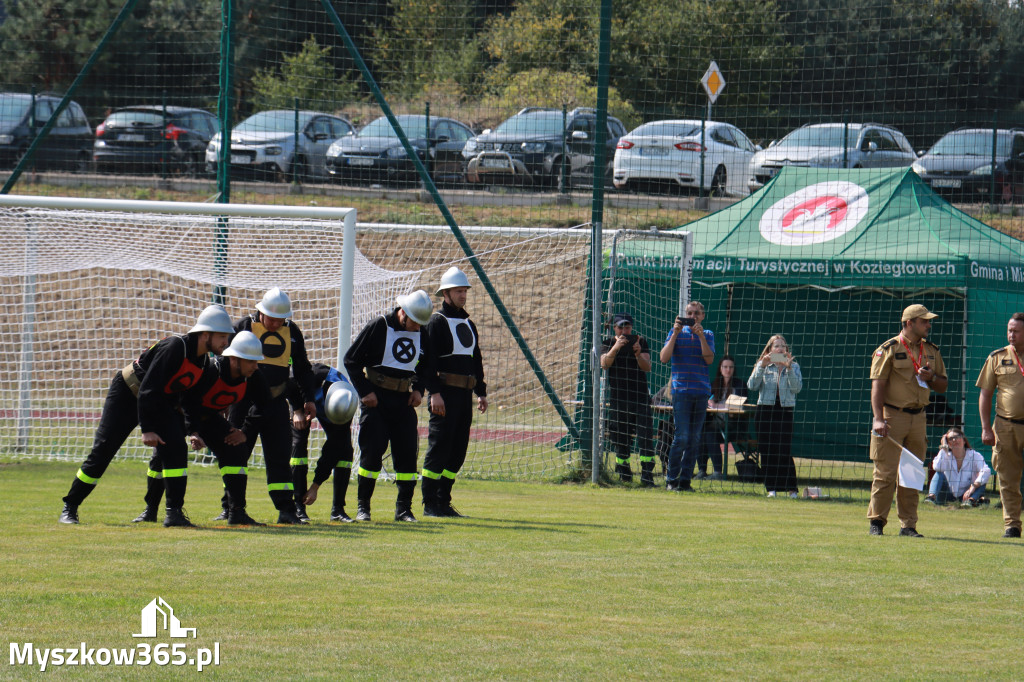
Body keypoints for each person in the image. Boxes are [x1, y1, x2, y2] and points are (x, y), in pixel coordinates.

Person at [59, 305, 234, 526]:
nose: (225, 343)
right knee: (104, 450)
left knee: (176, 448)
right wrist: (148, 429)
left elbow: (188, 400)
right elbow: (148, 388)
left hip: (159, 402)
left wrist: (194, 431)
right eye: (222, 337)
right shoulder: (174, 347)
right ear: (205, 334)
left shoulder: (203, 361)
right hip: (128, 393)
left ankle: (174, 514)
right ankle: (70, 507)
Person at [229, 288, 317, 525]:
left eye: (281, 319)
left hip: (276, 403)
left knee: (279, 457)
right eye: (272, 318)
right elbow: (225, 363)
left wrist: (308, 399)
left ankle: (286, 510)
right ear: (260, 312)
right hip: (243, 403)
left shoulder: (292, 332)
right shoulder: (244, 327)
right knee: (238, 453)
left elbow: (302, 368)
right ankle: (231, 507)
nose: (276, 323)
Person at [344, 290, 433, 522]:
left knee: (406, 456)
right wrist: (365, 392)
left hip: (403, 402)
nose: (417, 328)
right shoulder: (379, 326)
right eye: (415, 322)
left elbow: (426, 366)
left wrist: (418, 389)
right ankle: (363, 507)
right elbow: (351, 360)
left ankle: (404, 509)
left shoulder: (421, 331)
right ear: (403, 313)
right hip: (377, 401)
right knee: (371, 455)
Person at [868, 304, 948, 538]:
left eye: (928, 321)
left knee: (912, 472)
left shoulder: (931, 350)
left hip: (919, 417)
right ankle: (877, 522)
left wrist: (931, 377)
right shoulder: (888, 349)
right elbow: (878, 386)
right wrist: (878, 419)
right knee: (885, 472)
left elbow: (943, 384)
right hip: (892, 416)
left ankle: (908, 525)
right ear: (909, 323)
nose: (929, 325)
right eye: (924, 321)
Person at [180, 331, 273, 526]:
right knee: (167, 451)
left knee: (236, 450)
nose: (256, 366)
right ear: (234, 359)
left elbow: (264, 403)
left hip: (210, 418)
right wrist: (193, 432)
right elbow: (188, 401)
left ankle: (237, 512)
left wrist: (244, 432)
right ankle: (155, 510)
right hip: (183, 415)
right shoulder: (211, 370)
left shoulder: (254, 376)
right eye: (251, 361)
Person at [422, 267, 488, 516]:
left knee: (458, 449)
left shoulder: (469, 323)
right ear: (446, 294)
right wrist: (434, 393)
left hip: (464, 396)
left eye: (465, 291)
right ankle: (429, 504)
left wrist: (481, 392)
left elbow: (476, 360)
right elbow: (427, 364)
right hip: (445, 395)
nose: (463, 295)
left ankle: (443, 500)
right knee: (439, 447)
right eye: (458, 291)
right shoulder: (436, 322)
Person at [976, 312, 1024, 538]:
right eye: (1009, 330)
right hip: (1005, 426)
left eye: (1016, 331)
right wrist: (986, 428)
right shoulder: (997, 357)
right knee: (1007, 478)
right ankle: (1012, 525)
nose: (1011, 335)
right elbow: (985, 395)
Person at [290, 363, 358, 522]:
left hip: (328, 411)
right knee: (299, 446)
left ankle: (338, 510)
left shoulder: (348, 400)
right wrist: (297, 411)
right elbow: (291, 382)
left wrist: (315, 486)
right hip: (301, 403)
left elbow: (332, 449)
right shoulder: (316, 375)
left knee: (344, 451)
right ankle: (299, 507)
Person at [659, 301, 715, 491]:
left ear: (703, 316)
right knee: (681, 436)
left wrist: (700, 336)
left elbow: (709, 359)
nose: (693, 317)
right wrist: (675, 332)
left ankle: (685, 481)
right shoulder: (675, 333)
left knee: (694, 438)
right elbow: (664, 358)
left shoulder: (708, 335)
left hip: (701, 392)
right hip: (681, 391)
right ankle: (671, 479)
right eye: (689, 313)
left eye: (697, 313)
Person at [599, 312, 655, 486]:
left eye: (627, 326)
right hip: (619, 399)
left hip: (640, 397)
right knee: (620, 437)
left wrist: (638, 353)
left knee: (645, 436)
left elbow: (647, 367)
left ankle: (647, 474)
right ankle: (624, 473)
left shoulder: (640, 341)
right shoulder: (607, 343)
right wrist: (616, 347)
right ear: (614, 328)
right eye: (621, 327)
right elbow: (604, 364)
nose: (624, 330)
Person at [747, 337, 803, 497]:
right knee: (767, 451)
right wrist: (761, 366)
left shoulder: (794, 366)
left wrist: (789, 368)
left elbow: (797, 388)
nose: (779, 349)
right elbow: (751, 386)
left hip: (785, 411)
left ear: (786, 350)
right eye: (776, 346)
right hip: (765, 411)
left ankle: (792, 488)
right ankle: (771, 489)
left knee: (784, 450)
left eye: (782, 346)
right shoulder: (763, 365)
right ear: (770, 349)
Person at [698, 354, 747, 480]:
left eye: (731, 367)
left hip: (733, 427)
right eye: (725, 367)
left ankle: (718, 472)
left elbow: (734, 408)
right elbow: (707, 403)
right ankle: (702, 470)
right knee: (701, 431)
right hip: (716, 424)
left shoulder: (740, 386)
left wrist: (717, 405)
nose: (728, 370)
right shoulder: (714, 385)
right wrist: (709, 403)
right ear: (720, 368)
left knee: (709, 432)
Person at [926, 427, 990, 507]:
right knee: (939, 474)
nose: (954, 440)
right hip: (946, 495)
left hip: (966, 495)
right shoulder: (945, 455)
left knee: (981, 482)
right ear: (948, 443)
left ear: (963, 440)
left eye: (956, 437)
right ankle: (931, 498)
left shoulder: (975, 455)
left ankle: (970, 501)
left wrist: (973, 487)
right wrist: (943, 448)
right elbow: (937, 467)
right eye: (950, 439)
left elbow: (986, 471)